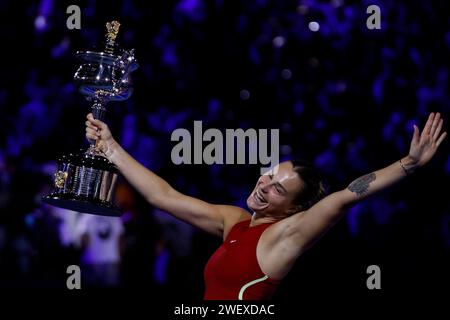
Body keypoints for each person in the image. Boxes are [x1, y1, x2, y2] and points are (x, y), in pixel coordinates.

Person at [85, 112, 446, 300]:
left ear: (292, 209)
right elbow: (163, 197)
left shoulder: (287, 235)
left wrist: (408, 165)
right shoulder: (234, 220)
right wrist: (111, 148)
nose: (263, 186)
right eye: (269, 175)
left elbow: (344, 198)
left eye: (276, 190)